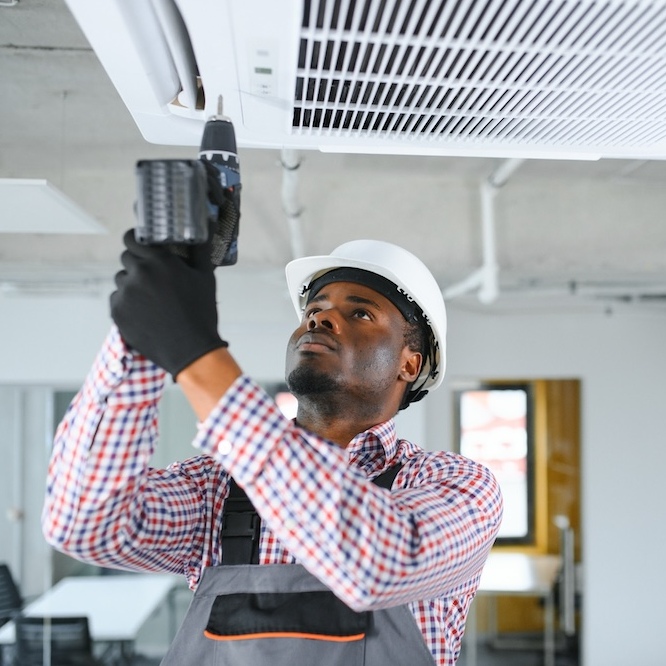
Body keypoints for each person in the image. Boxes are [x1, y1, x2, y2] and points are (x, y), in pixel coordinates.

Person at [42, 228, 503, 666]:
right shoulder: (217, 488)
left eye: (360, 312)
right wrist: (141, 329)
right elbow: (84, 523)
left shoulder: (457, 485)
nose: (320, 318)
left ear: (410, 363)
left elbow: (380, 562)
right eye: (313, 311)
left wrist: (198, 354)